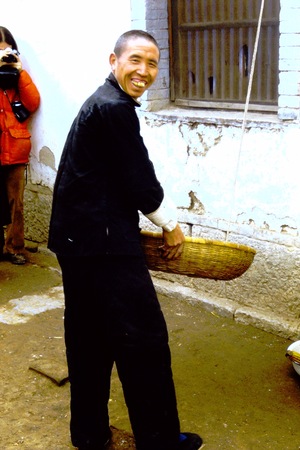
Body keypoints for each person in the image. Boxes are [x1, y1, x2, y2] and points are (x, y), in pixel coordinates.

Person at [48, 30, 203, 450]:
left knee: (88, 339)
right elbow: (139, 180)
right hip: (104, 246)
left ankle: (90, 434)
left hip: (75, 241)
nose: (145, 71)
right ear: (113, 60)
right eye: (136, 59)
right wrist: (170, 224)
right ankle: (161, 442)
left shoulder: (100, 102)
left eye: (153, 63)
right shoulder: (114, 109)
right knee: (144, 341)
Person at [0, 26, 40, 265]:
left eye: (7, 51)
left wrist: (19, 71)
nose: (3, 56)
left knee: (16, 202)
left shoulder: (16, 76)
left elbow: (33, 102)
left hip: (14, 146)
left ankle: (14, 247)